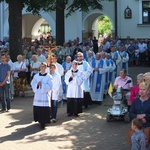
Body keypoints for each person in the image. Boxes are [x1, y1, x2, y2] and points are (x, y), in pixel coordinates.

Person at [31, 62, 53, 129]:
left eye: (44, 66)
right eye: (41, 66)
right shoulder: (36, 76)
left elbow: (50, 86)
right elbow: (32, 83)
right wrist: (37, 85)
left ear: (46, 68)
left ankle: (43, 122)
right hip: (38, 95)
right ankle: (39, 120)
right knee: (38, 109)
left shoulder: (49, 76)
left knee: (44, 110)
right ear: (40, 67)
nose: (42, 68)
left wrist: (42, 85)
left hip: (44, 96)